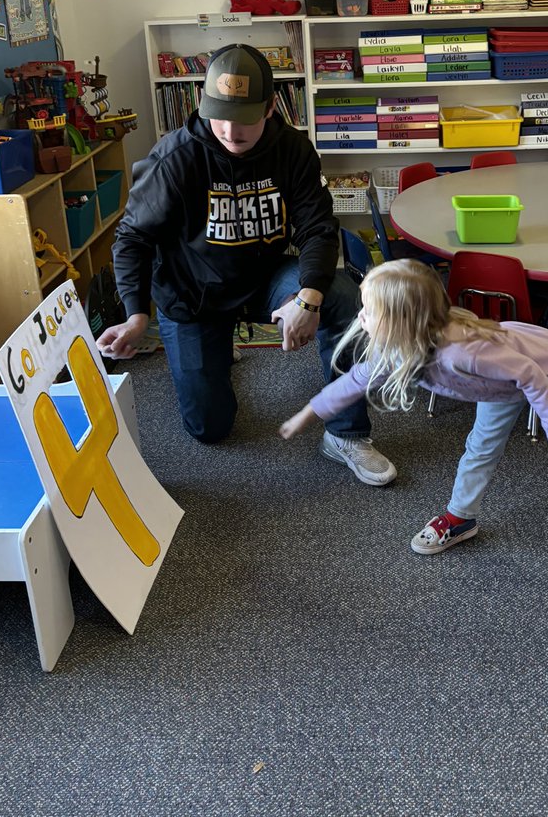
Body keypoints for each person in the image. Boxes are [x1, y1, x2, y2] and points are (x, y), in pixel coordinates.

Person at [96, 42, 395, 486]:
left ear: (271, 107)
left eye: (245, 122)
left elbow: (317, 228)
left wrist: (308, 298)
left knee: (343, 298)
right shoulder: (174, 158)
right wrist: (137, 314)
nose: (231, 133)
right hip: (191, 292)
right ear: (203, 103)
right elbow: (133, 237)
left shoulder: (292, 150)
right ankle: (216, 349)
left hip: (264, 279)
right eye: (220, 119)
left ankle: (345, 433)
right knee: (210, 430)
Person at [279, 258, 548, 604]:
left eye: (368, 311)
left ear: (401, 320)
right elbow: (354, 382)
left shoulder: (462, 354)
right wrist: (307, 414)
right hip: (499, 385)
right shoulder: (401, 350)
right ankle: (460, 518)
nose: (360, 317)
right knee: (480, 448)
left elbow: (530, 375)